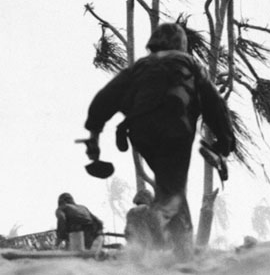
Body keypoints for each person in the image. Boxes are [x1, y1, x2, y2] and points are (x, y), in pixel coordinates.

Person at [82, 23, 234, 259]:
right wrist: (225, 143)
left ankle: (174, 248)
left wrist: (94, 136)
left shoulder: (140, 67)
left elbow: (104, 98)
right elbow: (215, 105)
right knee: (172, 190)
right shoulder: (190, 63)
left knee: (169, 185)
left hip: (141, 132)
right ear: (181, 45)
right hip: (175, 127)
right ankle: (182, 253)